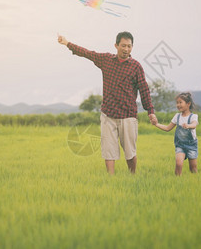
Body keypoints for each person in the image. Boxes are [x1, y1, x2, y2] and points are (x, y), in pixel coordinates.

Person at [57, 32, 158, 174]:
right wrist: (67, 43)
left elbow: (144, 90)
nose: (126, 49)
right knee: (109, 150)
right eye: (123, 46)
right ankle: (110, 179)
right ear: (116, 45)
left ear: (132, 47)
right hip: (108, 115)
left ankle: (132, 175)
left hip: (128, 115)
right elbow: (87, 53)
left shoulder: (136, 67)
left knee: (130, 152)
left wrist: (150, 112)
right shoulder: (106, 59)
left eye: (129, 46)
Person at [153, 92, 198, 176]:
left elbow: (194, 124)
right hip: (180, 145)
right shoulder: (177, 116)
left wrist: (188, 125)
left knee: (193, 168)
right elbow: (167, 128)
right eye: (177, 103)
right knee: (178, 164)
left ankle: (195, 180)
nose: (178, 105)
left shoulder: (193, 116)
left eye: (180, 102)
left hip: (191, 145)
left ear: (188, 104)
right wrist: (156, 124)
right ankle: (177, 180)